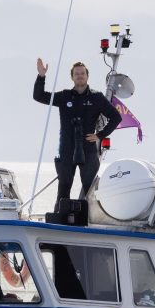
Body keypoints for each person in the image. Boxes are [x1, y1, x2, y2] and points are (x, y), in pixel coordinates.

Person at [32, 58, 122, 211]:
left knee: (90, 189)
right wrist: (41, 77)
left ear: (87, 76)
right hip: (67, 149)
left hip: (88, 149)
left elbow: (116, 117)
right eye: (76, 74)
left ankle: (92, 220)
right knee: (64, 186)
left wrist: (100, 135)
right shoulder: (64, 96)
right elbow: (39, 96)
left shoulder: (97, 97)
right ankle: (59, 220)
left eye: (82, 73)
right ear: (72, 77)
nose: (80, 76)